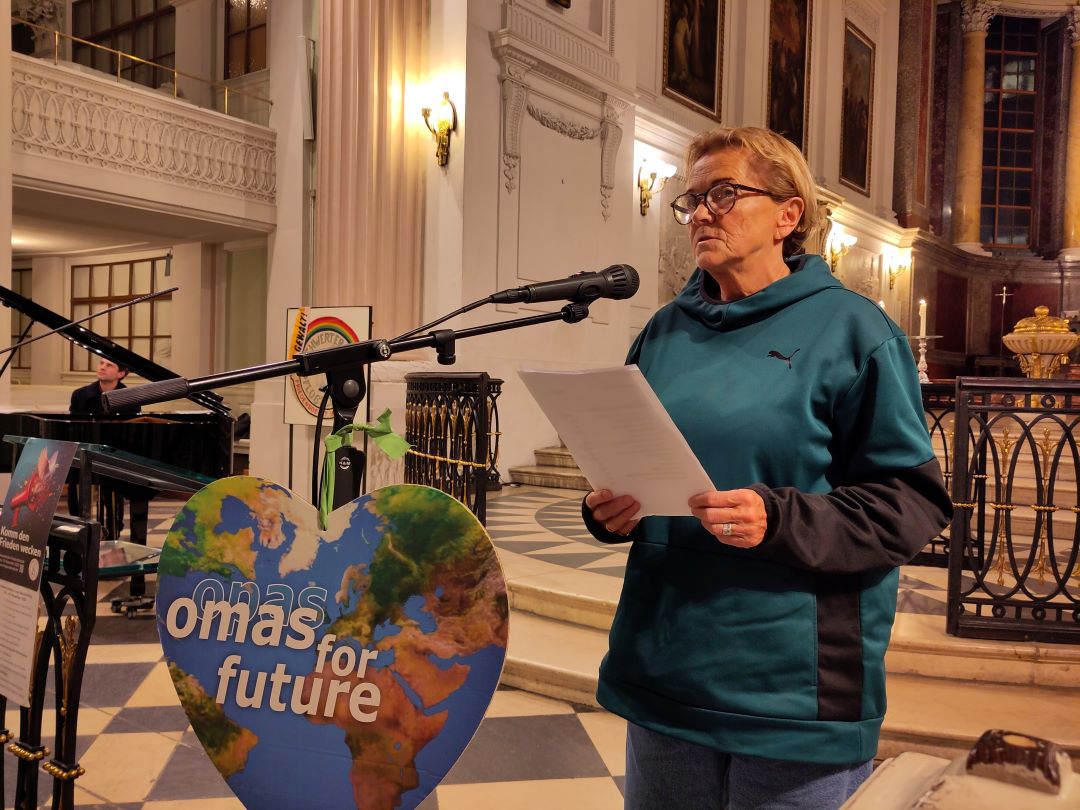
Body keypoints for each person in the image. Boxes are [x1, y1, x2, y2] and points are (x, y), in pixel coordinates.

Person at [582, 126, 951, 809]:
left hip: (791, 686)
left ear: (790, 214)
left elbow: (911, 503)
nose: (700, 213)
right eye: (690, 200)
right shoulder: (665, 331)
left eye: (723, 193)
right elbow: (630, 460)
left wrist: (779, 517)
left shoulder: (853, 331)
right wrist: (607, 510)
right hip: (666, 663)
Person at [68, 357, 141, 536]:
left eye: (109, 364)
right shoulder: (80, 395)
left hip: (115, 453)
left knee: (115, 483)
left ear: (121, 373)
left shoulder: (130, 397)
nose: (102, 367)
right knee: (74, 476)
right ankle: (78, 530)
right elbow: (73, 428)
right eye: (101, 363)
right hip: (85, 451)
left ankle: (114, 528)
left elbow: (132, 432)